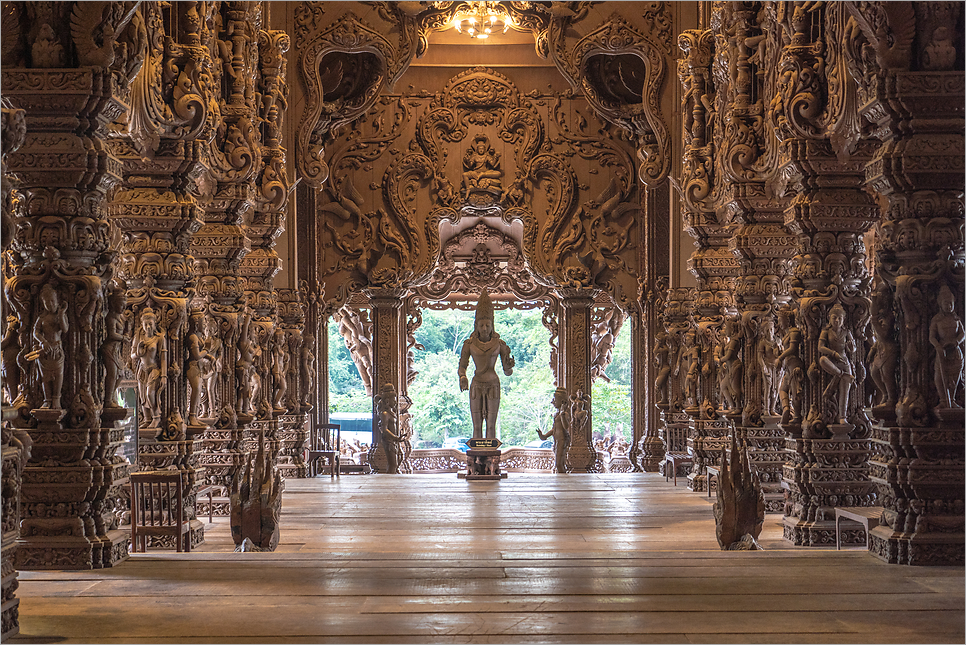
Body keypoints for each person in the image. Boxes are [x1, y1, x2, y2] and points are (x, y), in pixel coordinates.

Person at [458, 290, 514, 439]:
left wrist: (509, 365)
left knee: (491, 424)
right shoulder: (469, 344)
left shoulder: (499, 344)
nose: (484, 329)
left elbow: (507, 372)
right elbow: (462, 365)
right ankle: (476, 453)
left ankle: (492, 454)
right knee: (476, 425)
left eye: (487, 325)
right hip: (476, 383)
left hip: (493, 383)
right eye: (481, 325)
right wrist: (462, 376)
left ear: (492, 325)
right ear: (476, 325)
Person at [28, 283, 69, 409]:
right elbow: (35, 332)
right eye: (47, 302)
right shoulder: (42, 318)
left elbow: (65, 329)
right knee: (45, 376)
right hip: (45, 351)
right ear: (43, 304)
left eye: (52, 301)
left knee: (58, 374)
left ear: (57, 301)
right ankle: (47, 399)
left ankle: (56, 398)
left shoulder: (60, 316)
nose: (50, 304)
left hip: (57, 350)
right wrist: (43, 342)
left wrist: (62, 314)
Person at [818, 303, 856, 424]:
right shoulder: (826, 331)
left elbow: (852, 349)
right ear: (829, 318)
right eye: (834, 317)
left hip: (844, 360)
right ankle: (840, 374)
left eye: (839, 318)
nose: (837, 320)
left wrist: (851, 347)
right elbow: (820, 347)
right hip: (833, 360)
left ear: (843, 320)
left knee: (844, 391)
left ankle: (842, 417)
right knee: (822, 360)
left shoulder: (846, 332)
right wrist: (833, 353)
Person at [929, 284, 964, 408]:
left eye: (950, 303)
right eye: (946, 303)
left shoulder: (956, 319)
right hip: (942, 352)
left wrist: (956, 342)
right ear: (940, 304)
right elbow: (932, 337)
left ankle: (952, 399)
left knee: (954, 376)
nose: (948, 306)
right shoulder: (936, 320)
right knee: (939, 376)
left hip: (954, 351)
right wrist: (938, 346)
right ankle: (944, 400)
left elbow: (962, 334)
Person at [132, 307, 166, 427]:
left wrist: (163, 375)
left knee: (150, 393)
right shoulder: (139, 338)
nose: (148, 327)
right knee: (141, 396)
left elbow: (163, 357)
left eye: (150, 324)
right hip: (142, 369)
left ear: (154, 324)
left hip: (154, 369)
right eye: (145, 324)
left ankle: (156, 417)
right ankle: (147, 419)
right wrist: (138, 351)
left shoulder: (159, 338)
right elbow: (132, 356)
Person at [537, 387, 571, 474]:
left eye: (555, 400)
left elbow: (566, 426)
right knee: (558, 464)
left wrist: (562, 414)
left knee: (559, 464)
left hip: (562, 439)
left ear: (562, 401)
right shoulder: (556, 414)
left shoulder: (564, 414)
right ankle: (562, 481)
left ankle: (564, 482)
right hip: (557, 439)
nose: (553, 402)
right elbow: (554, 429)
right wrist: (544, 436)